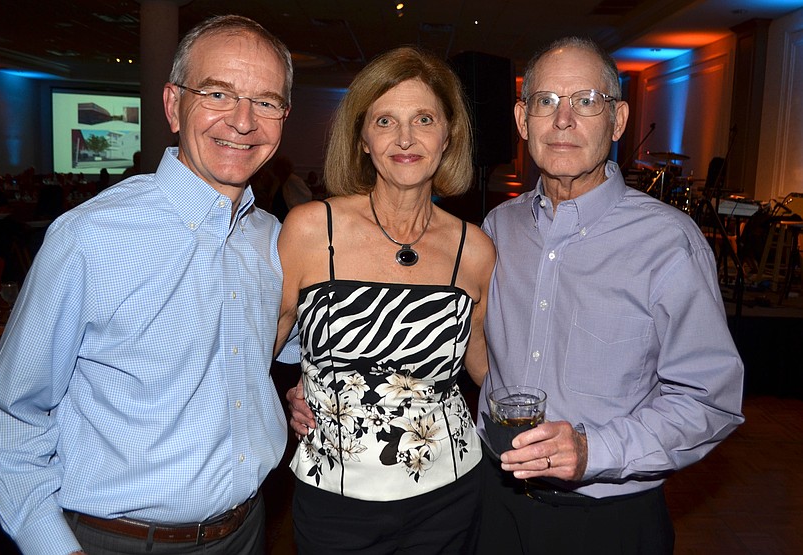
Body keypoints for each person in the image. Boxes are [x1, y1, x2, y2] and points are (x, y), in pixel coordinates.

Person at [0, 14, 296, 555]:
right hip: (116, 541)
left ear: (283, 117)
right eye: (217, 93)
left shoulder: (272, 238)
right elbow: (9, 420)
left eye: (265, 102)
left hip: (248, 530)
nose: (243, 121)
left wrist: (311, 385)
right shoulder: (91, 236)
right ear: (172, 105)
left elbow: (285, 342)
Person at [475, 37, 745, 554]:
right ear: (521, 118)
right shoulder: (497, 227)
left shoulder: (669, 242)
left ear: (618, 121)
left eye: (586, 101)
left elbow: (709, 400)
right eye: (546, 101)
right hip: (496, 502)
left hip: (608, 520)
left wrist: (592, 448)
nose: (563, 120)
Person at [276, 46, 495, 554]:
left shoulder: (474, 248)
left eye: (423, 119)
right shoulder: (312, 229)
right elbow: (256, 348)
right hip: (333, 497)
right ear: (362, 139)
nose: (405, 138)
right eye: (385, 121)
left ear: (448, 136)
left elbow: (489, 370)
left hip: (450, 493)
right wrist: (294, 387)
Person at [269, 154, 312, 221]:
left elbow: (307, 195)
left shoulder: (294, 180)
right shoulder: (277, 182)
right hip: (278, 217)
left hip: (291, 216)